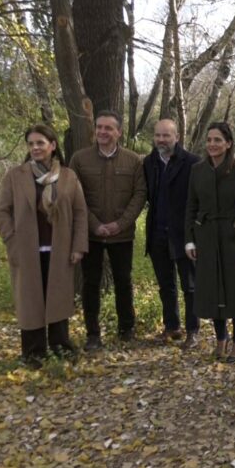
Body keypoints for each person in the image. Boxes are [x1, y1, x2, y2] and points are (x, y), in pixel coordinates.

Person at [0, 124, 88, 367]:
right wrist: (11, 240)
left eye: (40, 143)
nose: (35, 148)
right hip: (26, 250)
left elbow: (80, 213)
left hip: (60, 248)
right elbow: (2, 211)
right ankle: (33, 352)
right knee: (30, 300)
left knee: (58, 298)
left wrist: (78, 246)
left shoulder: (68, 176)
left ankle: (60, 347)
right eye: (31, 144)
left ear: (53, 146)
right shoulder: (16, 176)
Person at [185, 122, 235, 363]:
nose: (212, 144)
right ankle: (221, 338)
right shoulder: (198, 170)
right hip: (206, 236)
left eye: (218, 140)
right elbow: (191, 207)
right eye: (209, 140)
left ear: (228, 143)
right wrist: (190, 240)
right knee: (210, 288)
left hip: (230, 238)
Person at [70, 111, 146, 351]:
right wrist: (95, 225)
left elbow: (140, 194)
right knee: (90, 283)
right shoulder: (79, 159)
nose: (103, 132)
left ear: (118, 132)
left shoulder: (133, 160)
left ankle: (127, 329)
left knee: (123, 281)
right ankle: (93, 334)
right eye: (99, 128)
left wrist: (120, 224)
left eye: (108, 128)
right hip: (90, 234)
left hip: (121, 235)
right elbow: (75, 195)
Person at [143, 119, 201, 348]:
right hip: (157, 231)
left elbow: (199, 200)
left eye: (166, 136)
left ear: (177, 136)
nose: (161, 140)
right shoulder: (149, 163)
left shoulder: (192, 163)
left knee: (190, 285)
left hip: (183, 233)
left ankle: (193, 330)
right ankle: (172, 327)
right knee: (165, 284)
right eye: (158, 135)